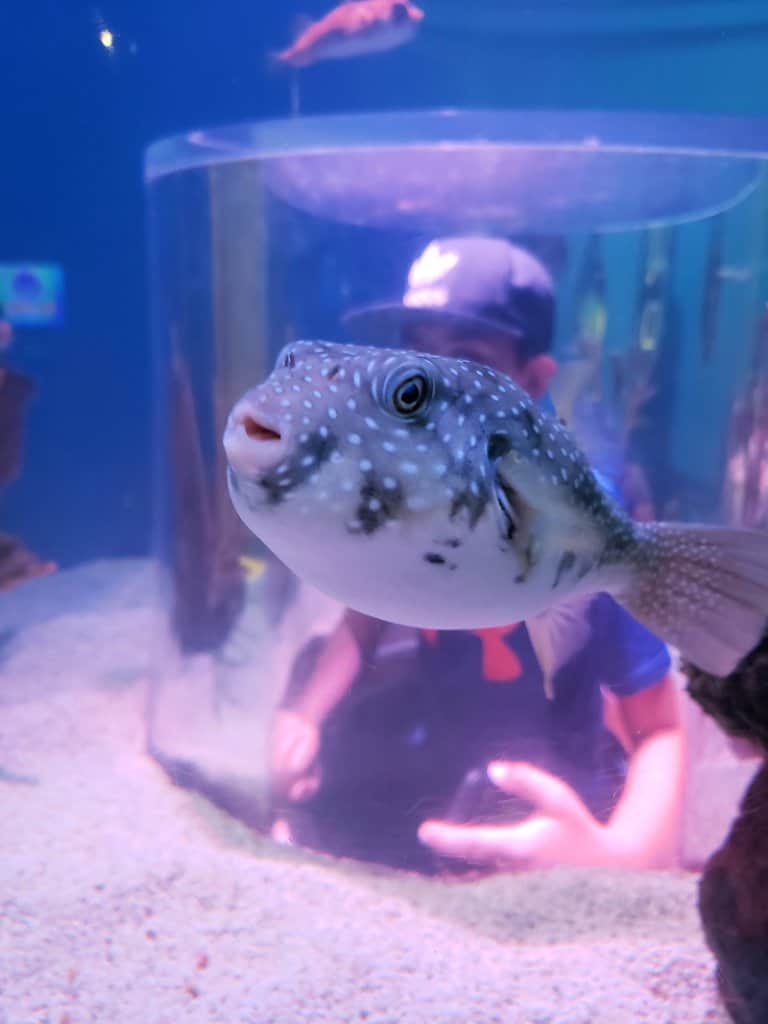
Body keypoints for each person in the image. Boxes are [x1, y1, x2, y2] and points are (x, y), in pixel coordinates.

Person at [268, 237, 685, 875]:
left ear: (533, 380)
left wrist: (621, 855)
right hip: (437, 767)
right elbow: (363, 620)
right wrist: (305, 713)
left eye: (467, 360)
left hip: (553, 797)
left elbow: (659, 728)